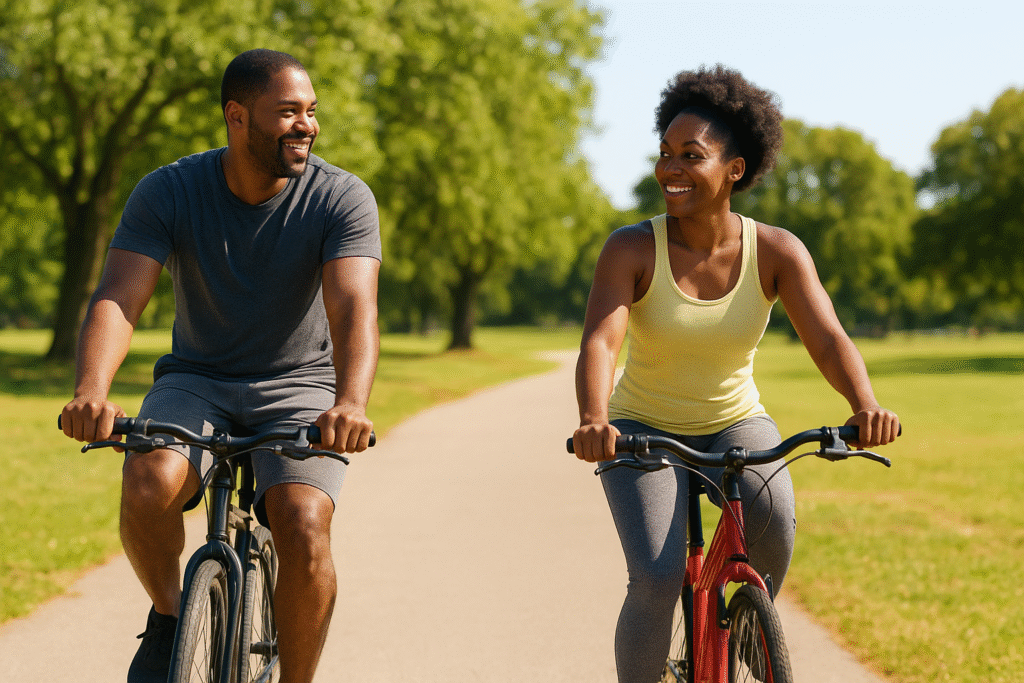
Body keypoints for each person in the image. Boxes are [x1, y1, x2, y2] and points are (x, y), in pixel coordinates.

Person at [571, 65, 900, 683]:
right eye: (664, 153)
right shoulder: (632, 248)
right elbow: (601, 340)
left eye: (691, 156)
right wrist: (594, 419)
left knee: (774, 524)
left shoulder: (776, 251)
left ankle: (751, 633)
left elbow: (828, 337)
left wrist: (865, 404)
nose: (670, 168)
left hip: (734, 420)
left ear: (735, 169)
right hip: (642, 429)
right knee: (657, 576)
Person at [60, 49, 380, 683]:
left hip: (300, 384)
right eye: (288, 112)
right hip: (196, 381)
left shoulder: (340, 197)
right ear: (238, 117)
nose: (307, 125)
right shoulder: (170, 190)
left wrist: (350, 403)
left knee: (302, 522)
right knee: (146, 482)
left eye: (311, 111)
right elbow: (119, 297)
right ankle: (171, 618)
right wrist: (91, 390)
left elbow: (353, 307)